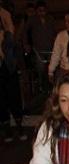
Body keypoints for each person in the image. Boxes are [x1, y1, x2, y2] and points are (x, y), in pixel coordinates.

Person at [0, 11, 26, 142]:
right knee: (1, 99)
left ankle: (19, 127)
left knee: (14, 96)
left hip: (9, 66)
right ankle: (7, 130)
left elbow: (12, 37)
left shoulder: (4, 16)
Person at [22, 1, 56, 92]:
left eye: (44, 10)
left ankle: (51, 87)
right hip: (38, 50)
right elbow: (24, 32)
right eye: (40, 10)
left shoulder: (50, 19)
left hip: (50, 48)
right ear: (37, 11)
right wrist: (26, 44)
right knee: (40, 68)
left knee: (51, 68)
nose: (42, 12)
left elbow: (54, 33)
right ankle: (41, 86)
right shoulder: (32, 20)